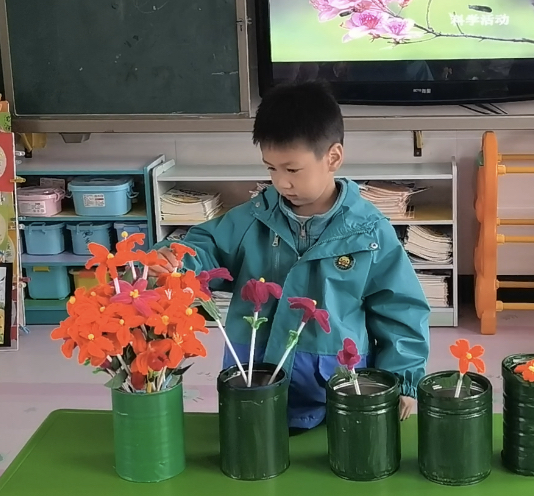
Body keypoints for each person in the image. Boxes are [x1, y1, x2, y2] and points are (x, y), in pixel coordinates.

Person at [151, 81, 430, 430]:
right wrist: (174, 261)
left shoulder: (369, 233)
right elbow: (202, 248)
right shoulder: (251, 219)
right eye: (271, 168)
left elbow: (400, 310)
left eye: (292, 169)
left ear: (333, 157)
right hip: (253, 387)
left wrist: (402, 380)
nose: (281, 182)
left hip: (340, 395)